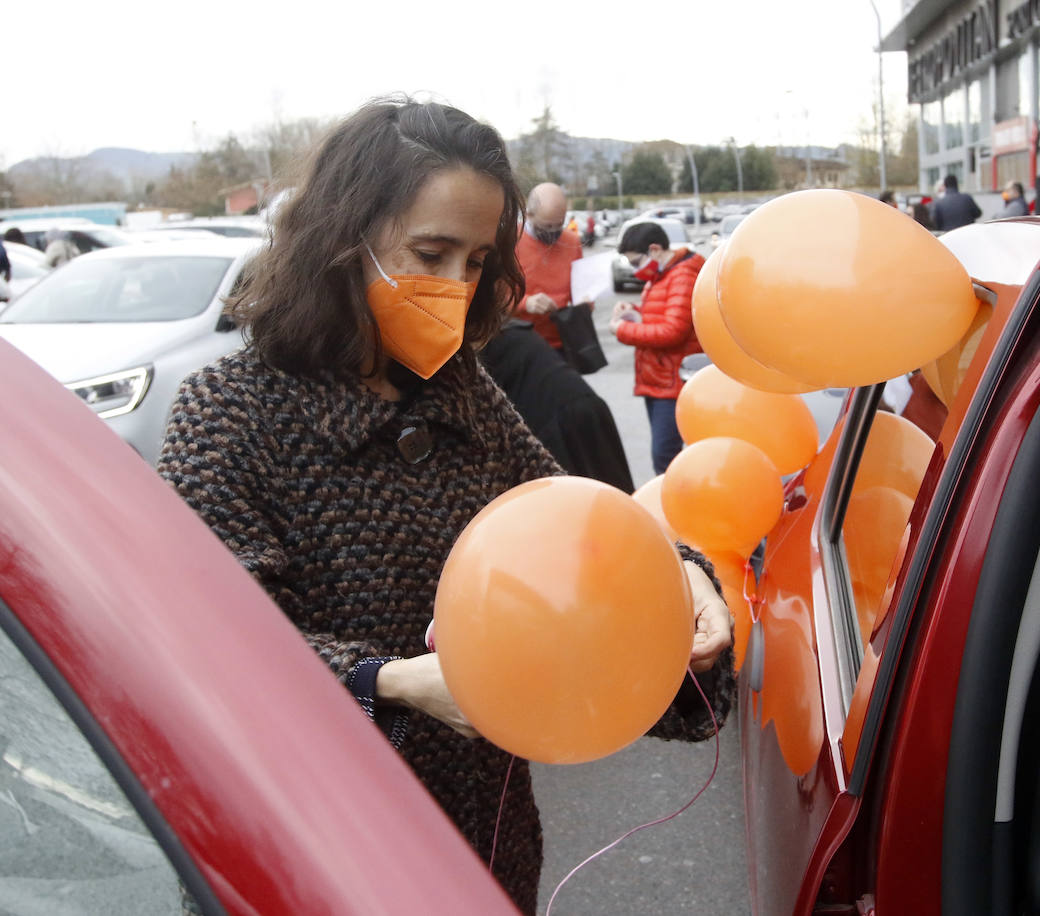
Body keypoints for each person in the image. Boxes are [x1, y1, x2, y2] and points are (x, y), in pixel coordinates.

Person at [156, 98, 733, 915]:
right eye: (432, 254)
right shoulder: (230, 411)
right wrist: (389, 683)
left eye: (476, 262)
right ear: (342, 243)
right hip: (305, 849)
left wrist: (681, 579)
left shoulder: (464, 390)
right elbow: (212, 647)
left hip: (482, 845)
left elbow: (582, 531)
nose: (456, 287)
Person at [480, 317, 636, 493]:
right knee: (613, 495)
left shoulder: (474, 345)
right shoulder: (507, 328)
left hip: (555, 419)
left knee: (579, 503)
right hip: (585, 405)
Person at [611, 222, 705, 475]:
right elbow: (661, 317)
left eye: (635, 262)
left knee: (665, 457)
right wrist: (634, 312)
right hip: (659, 379)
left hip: (672, 383)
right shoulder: (662, 275)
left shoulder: (682, 274)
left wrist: (622, 330)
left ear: (654, 250)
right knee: (665, 456)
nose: (634, 270)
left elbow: (672, 331)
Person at [513, 182, 584, 354]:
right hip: (519, 341)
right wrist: (525, 303)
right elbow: (493, 295)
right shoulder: (509, 241)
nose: (553, 232)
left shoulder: (572, 242)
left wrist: (585, 302)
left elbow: (580, 290)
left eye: (558, 225)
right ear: (528, 215)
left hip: (562, 341)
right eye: (546, 227)